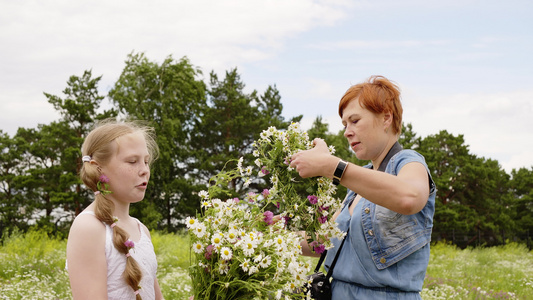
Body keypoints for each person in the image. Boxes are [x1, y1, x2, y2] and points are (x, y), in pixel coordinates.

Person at [290, 75, 436, 299]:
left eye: (355, 121)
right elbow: (323, 240)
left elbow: (411, 197)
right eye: (344, 124)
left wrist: (333, 167)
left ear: (386, 118)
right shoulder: (358, 184)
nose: (347, 131)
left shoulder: (409, 161)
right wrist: (265, 239)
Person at [66, 120, 164, 300]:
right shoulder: (89, 227)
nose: (144, 171)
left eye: (146, 161)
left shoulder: (141, 230)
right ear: (98, 168)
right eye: (133, 161)